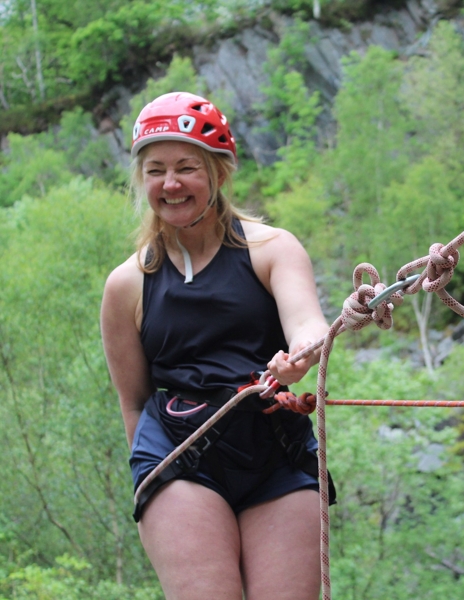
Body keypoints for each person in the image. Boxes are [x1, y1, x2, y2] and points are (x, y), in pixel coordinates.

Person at [100, 91, 331, 600]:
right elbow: (133, 402)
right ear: (142, 180)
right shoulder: (127, 285)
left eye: (188, 167)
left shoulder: (271, 249)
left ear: (220, 172)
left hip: (275, 448)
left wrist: (299, 357)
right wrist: (153, 481)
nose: (171, 183)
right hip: (178, 453)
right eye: (156, 170)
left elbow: (308, 325)